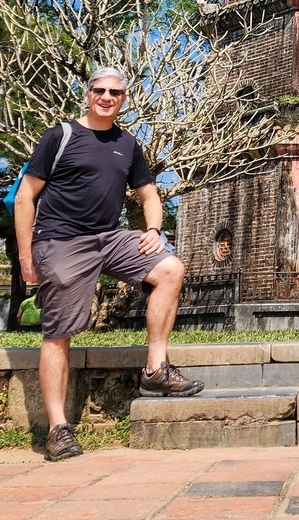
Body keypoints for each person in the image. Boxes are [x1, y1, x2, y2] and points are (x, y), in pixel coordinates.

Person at [15, 67, 204, 462]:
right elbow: (25, 197)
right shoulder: (59, 136)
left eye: (114, 92)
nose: (106, 97)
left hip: (109, 237)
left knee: (170, 269)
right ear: (87, 94)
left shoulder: (128, 143)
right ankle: (58, 428)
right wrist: (26, 256)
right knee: (58, 332)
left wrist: (154, 229)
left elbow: (149, 194)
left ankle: (155, 369)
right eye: (99, 90)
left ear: (124, 99)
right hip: (61, 240)